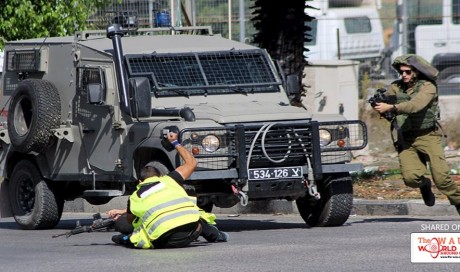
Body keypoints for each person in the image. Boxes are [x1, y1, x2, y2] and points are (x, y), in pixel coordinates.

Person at [107, 131, 229, 248]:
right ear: (160, 176)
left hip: (163, 241)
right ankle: (217, 235)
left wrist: (124, 213)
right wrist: (175, 142)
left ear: (140, 182)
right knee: (198, 218)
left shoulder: (135, 196)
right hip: (191, 233)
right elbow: (191, 163)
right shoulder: (170, 180)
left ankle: (123, 239)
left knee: (138, 233)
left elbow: (132, 220)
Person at [373, 54, 460, 215]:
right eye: (401, 72)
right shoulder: (397, 86)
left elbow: (415, 105)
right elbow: (385, 95)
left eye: (408, 72)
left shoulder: (428, 87)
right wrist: (379, 100)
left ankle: (458, 202)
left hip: (428, 136)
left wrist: (392, 107)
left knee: (442, 179)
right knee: (411, 179)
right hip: (406, 138)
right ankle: (424, 185)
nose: (404, 75)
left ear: (417, 72)